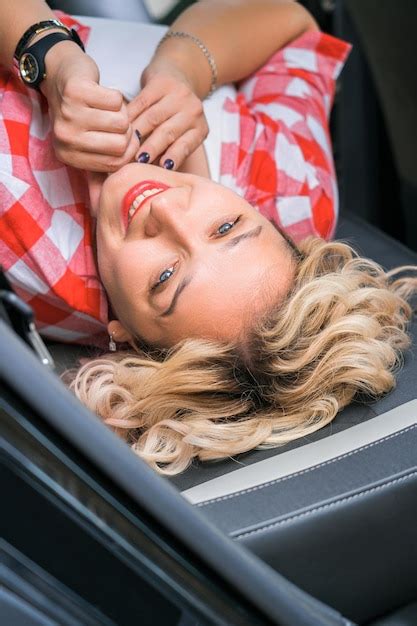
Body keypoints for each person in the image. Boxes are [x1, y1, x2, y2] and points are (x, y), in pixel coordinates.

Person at [1, 1, 416, 474]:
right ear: (277, 225)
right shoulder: (295, 192)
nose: (165, 210)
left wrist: (46, 51)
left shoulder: (27, 238)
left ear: (127, 340)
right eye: (226, 228)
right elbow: (289, 21)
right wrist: (182, 68)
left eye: (164, 276)